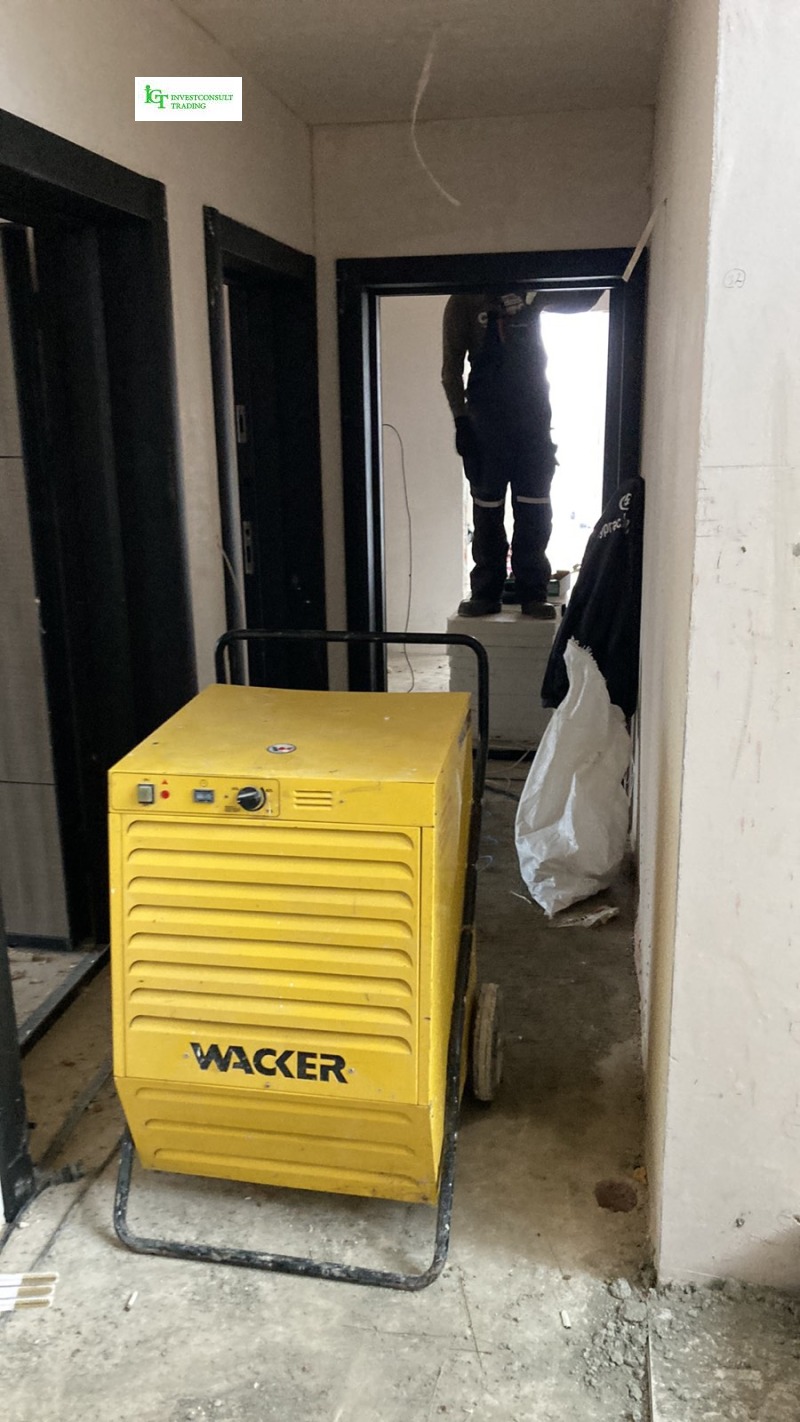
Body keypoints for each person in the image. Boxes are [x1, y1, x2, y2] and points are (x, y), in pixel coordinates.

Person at [442, 288, 600, 619]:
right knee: (487, 511)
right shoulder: (465, 298)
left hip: (533, 422)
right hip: (485, 424)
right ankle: (486, 592)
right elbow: (451, 368)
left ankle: (533, 593)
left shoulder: (533, 287)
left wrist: (539, 299)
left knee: (535, 510)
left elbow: (589, 297)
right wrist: (461, 421)